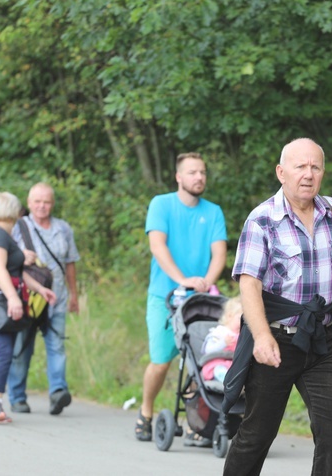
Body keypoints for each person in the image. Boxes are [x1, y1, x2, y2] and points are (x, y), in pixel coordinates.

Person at [222, 138, 332, 476]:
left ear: (322, 173)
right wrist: (261, 337)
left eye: (315, 167)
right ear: (281, 173)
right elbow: (249, 284)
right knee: (257, 435)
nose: (308, 174)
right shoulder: (262, 220)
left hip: (324, 340)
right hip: (278, 340)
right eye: (299, 166)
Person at [135, 152, 228, 447]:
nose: (198, 177)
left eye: (202, 172)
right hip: (164, 297)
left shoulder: (213, 211)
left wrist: (206, 283)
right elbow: (157, 246)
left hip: (201, 301)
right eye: (192, 172)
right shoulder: (161, 205)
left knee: (202, 365)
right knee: (161, 362)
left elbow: (220, 254)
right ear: (178, 176)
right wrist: (183, 279)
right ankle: (146, 412)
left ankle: (197, 423)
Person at [0, 192, 56, 423]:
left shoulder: (3, 235)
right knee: (2, 350)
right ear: (13, 212)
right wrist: (14, 299)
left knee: (3, 350)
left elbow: (14, 272)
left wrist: (40, 289)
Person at [7, 183, 81, 416]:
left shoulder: (63, 229)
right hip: (26, 300)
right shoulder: (18, 227)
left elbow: (70, 262)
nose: (41, 206)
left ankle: (58, 392)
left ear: (53, 204)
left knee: (56, 346)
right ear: (28, 204)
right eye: (37, 201)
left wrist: (73, 294)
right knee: (21, 349)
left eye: (46, 201)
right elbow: (4, 260)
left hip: (56, 299)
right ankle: (17, 397)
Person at [201, 296, 242, 382]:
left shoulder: (241, 335)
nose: (243, 323)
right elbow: (208, 350)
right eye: (240, 319)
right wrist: (223, 343)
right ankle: (226, 380)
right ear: (229, 316)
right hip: (217, 363)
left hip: (234, 365)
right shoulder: (219, 332)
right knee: (219, 369)